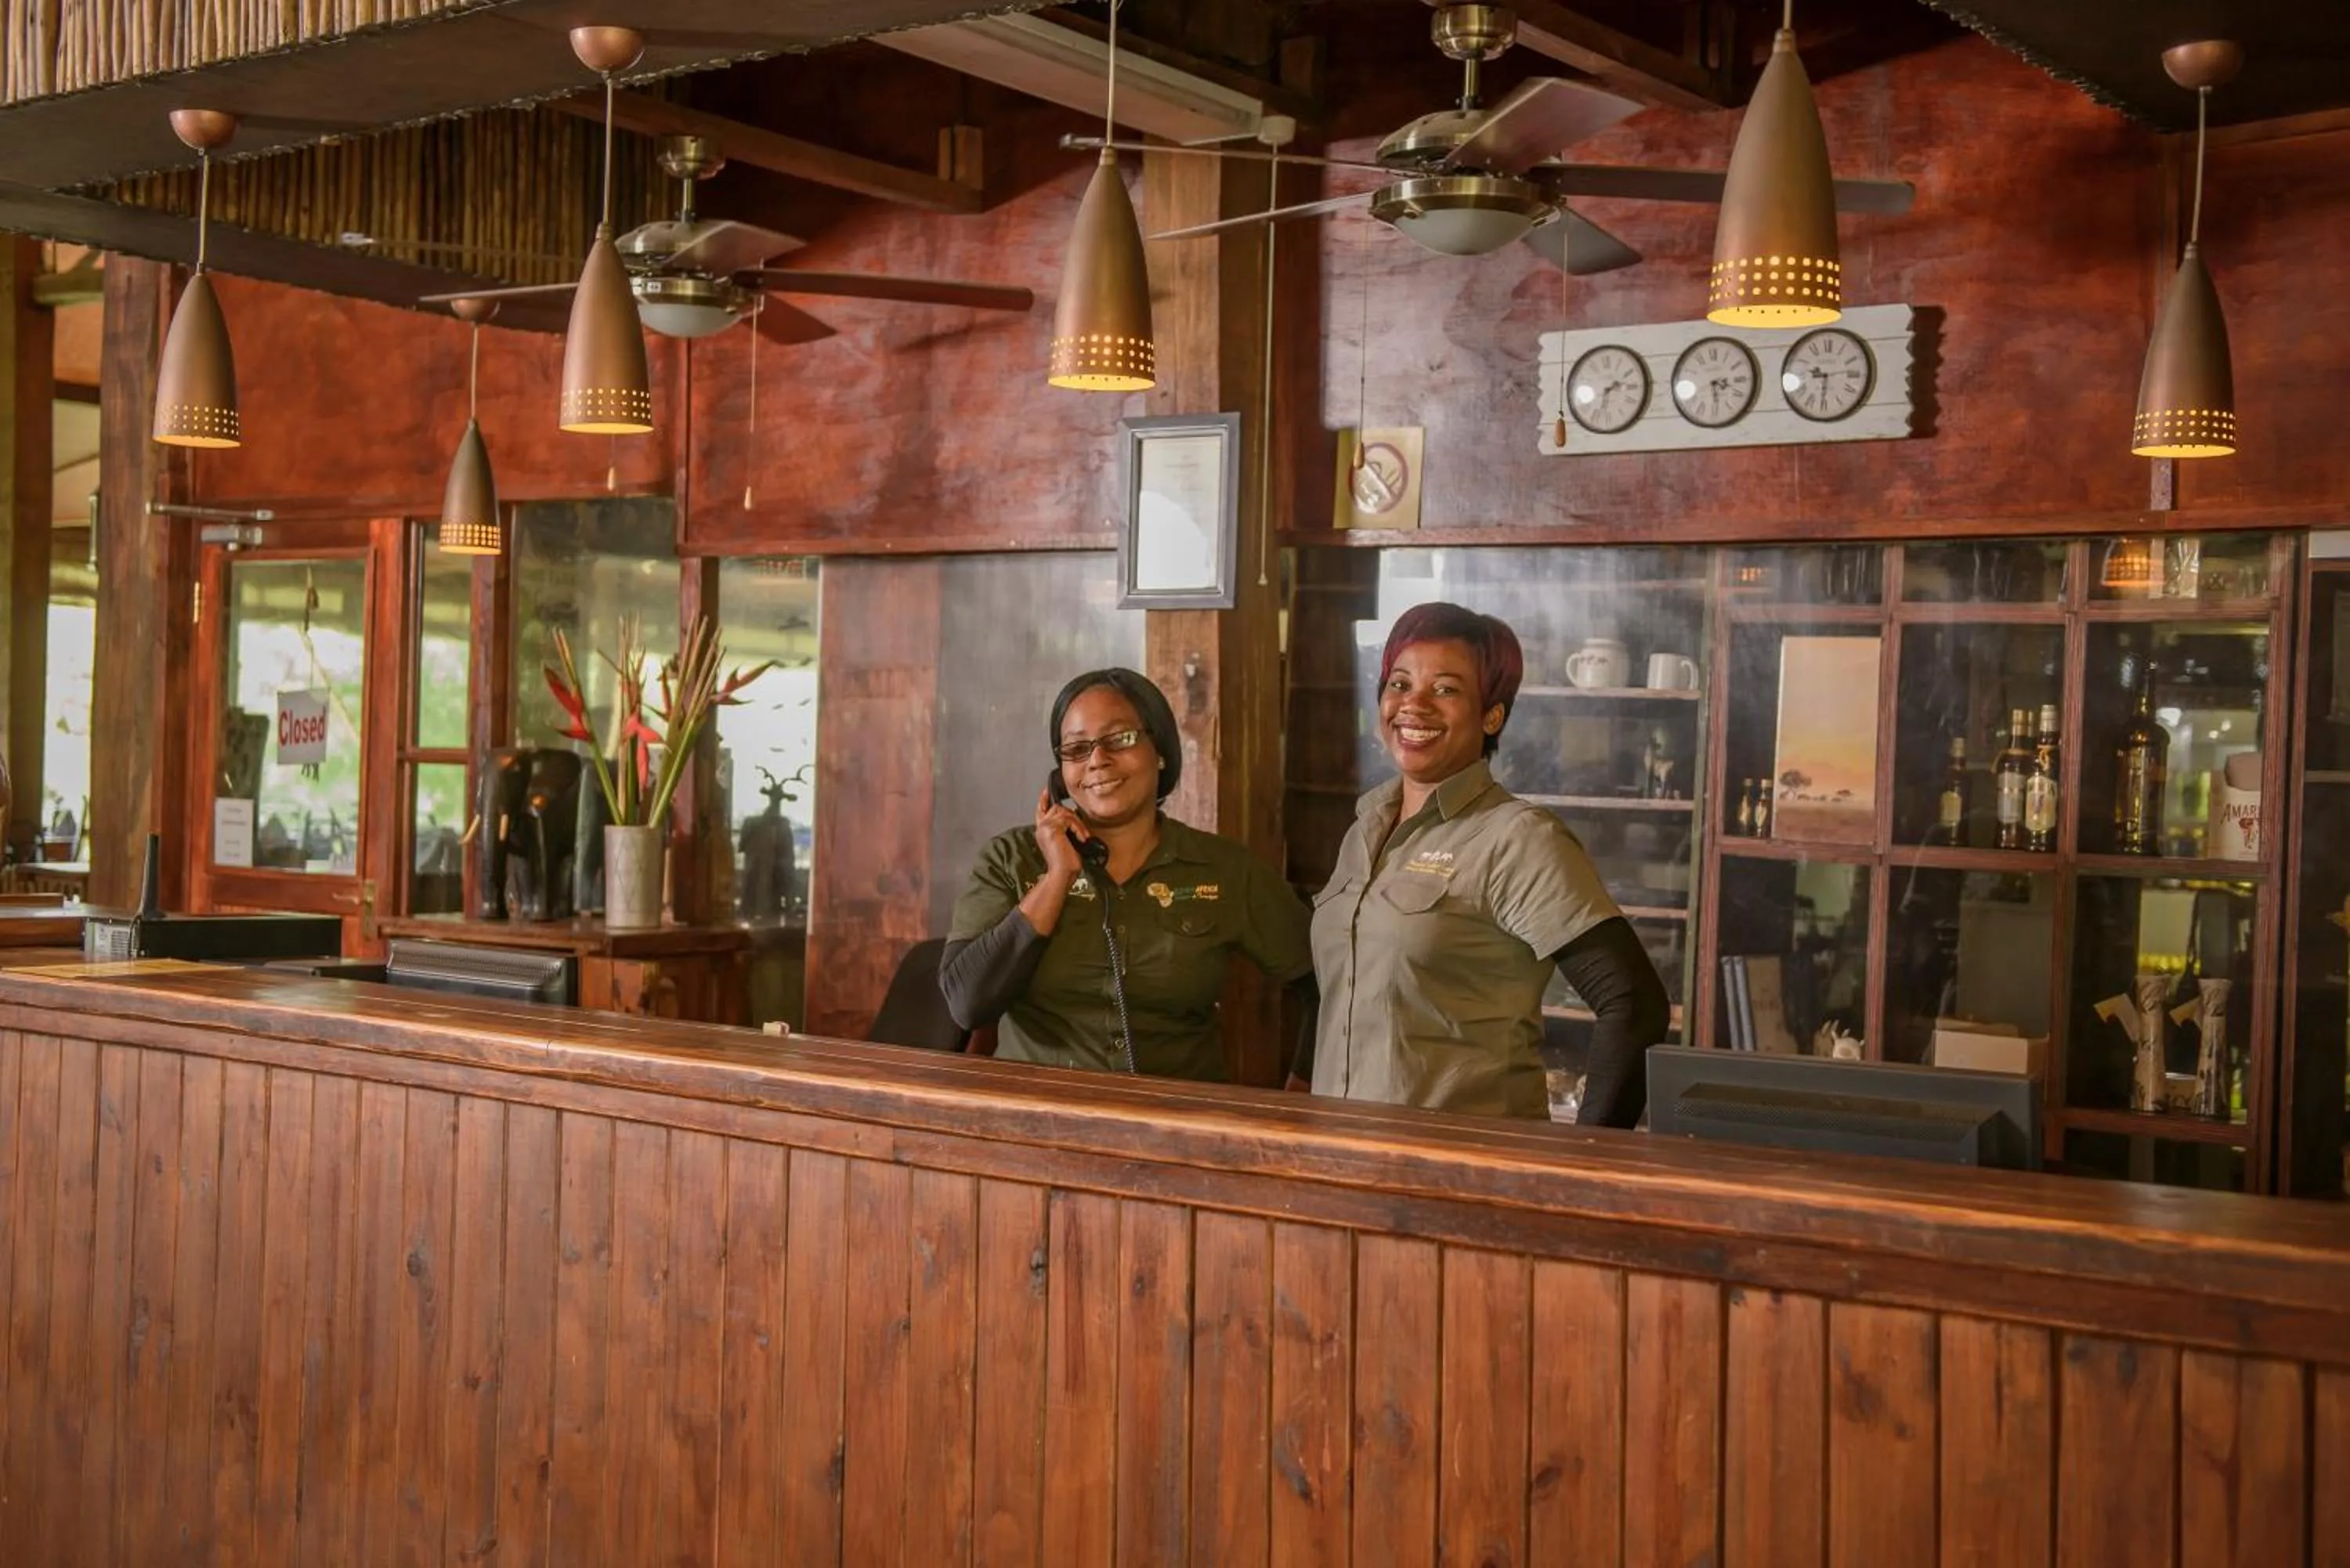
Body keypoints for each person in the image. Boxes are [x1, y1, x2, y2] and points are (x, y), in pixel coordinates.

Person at [1300, 602, 1670, 1125]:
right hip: (1340, 1161)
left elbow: (1634, 1005)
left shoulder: (1516, 838)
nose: (1414, 705)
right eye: (1400, 684)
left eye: (1446, 689)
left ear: (1491, 715)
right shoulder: (1366, 826)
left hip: (1458, 1178)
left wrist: (1589, 1163)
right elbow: (1338, 987)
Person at [941, 667, 1312, 1082]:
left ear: (1161, 750)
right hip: (1037, 1125)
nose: (1097, 760)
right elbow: (968, 1003)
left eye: (1120, 739)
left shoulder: (1224, 870)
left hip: (1177, 1126)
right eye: (1076, 749)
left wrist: (1304, 1085)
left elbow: (1324, 978)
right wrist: (1057, 878)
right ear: (1060, 775)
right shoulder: (1010, 860)